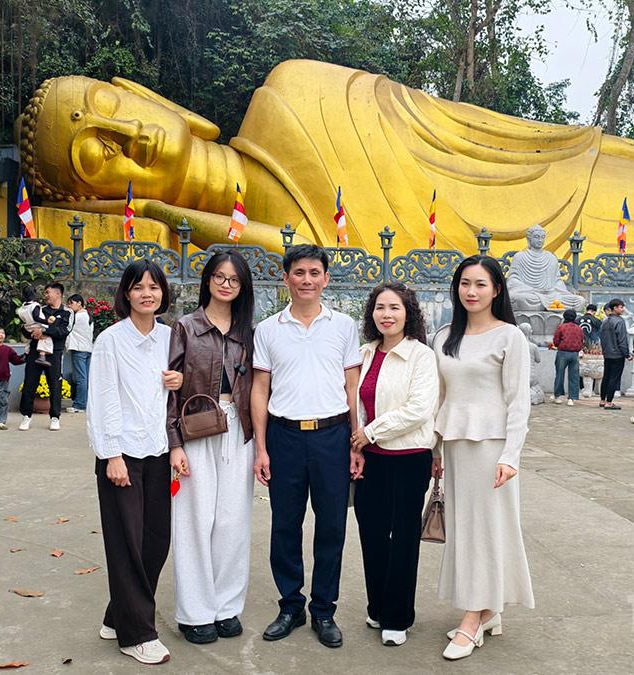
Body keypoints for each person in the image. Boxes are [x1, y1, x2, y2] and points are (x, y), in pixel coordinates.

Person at [252, 245, 363, 649]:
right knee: (285, 524)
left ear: (325, 279)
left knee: (332, 525)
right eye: (298, 273)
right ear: (286, 279)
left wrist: (356, 441)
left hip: (332, 437)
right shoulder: (267, 329)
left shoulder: (343, 326)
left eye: (314, 273)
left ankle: (323, 610)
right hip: (284, 437)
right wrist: (261, 448)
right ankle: (290, 606)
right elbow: (260, 390)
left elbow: (352, 387)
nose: (306, 280)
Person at [431, 256, 534, 661]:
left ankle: (473, 618)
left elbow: (518, 401)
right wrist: (435, 449)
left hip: (492, 447)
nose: (471, 292)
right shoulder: (443, 337)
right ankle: (488, 608)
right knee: (464, 530)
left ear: (496, 290)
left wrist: (511, 456)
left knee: (489, 529)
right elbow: (439, 397)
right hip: (455, 445)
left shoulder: (510, 336)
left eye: (480, 284)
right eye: (465, 284)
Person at [88, 261, 184, 665]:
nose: (147, 293)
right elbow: (103, 398)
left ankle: (117, 613)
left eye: (154, 287)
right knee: (126, 542)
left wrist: (178, 383)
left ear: (163, 293)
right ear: (125, 294)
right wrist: (111, 454)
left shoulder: (171, 337)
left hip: (159, 450)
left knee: (155, 540)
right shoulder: (110, 340)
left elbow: (181, 391)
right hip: (122, 453)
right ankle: (137, 633)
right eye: (138, 287)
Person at [166, 252, 257, 645]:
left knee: (233, 521)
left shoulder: (248, 333)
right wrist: (174, 444)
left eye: (233, 280)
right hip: (195, 427)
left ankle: (226, 605)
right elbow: (168, 389)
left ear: (242, 287)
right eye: (219, 277)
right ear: (207, 281)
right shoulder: (185, 327)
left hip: (237, 428)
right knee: (193, 520)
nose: (225, 284)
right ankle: (195, 611)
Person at [350, 282, 438, 647]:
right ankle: (377, 606)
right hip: (371, 460)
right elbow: (354, 402)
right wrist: (357, 443)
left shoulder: (421, 356)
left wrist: (371, 432)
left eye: (395, 308)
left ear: (408, 313)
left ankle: (398, 617)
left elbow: (419, 409)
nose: (387, 315)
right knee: (371, 534)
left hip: (407, 458)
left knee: (402, 539)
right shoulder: (365, 353)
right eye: (380, 307)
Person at [18, 283, 73, 431]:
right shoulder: (39, 309)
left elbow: (63, 330)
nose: (45, 295)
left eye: (48, 292)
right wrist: (33, 333)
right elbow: (24, 327)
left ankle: (55, 417)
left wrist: (45, 330)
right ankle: (26, 416)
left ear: (58, 293)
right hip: (35, 351)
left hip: (55, 353)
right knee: (29, 383)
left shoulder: (67, 312)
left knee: (55, 385)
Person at [599, 299, 631, 411]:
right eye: (621, 307)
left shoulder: (605, 321)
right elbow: (622, 340)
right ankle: (609, 402)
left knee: (606, 376)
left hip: (607, 353)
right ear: (615, 308)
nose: (622, 309)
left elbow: (602, 339)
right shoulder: (619, 321)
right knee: (614, 378)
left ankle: (602, 400)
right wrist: (626, 354)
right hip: (617, 354)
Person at [65, 294, 93, 414]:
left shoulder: (78, 316)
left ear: (79, 303)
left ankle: (80, 405)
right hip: (87, 349)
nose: (69, 306)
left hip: (78, 349)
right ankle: (84, 403)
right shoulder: (87, 315)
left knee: (80, 378)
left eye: (71, 303)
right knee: (85, 377)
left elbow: (68, 328)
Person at [552, 309, 585, 405]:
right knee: (574, 376)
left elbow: (556, 341)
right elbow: (582, 340)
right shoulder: (579, 328)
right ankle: (572, 398)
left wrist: (559, 345)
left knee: (559, 374)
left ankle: (558, 396)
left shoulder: (561, 327)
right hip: (574, 354)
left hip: (562, 353)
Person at [16, 286, 54, 368]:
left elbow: (22, 319)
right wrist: (47, 321)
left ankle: (26, 354)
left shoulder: (22, 307)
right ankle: (42, 356)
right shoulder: (35, 305)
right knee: (46, 338)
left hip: (28, 326)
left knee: (29, 341)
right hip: (37, 325)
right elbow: (36, 317)